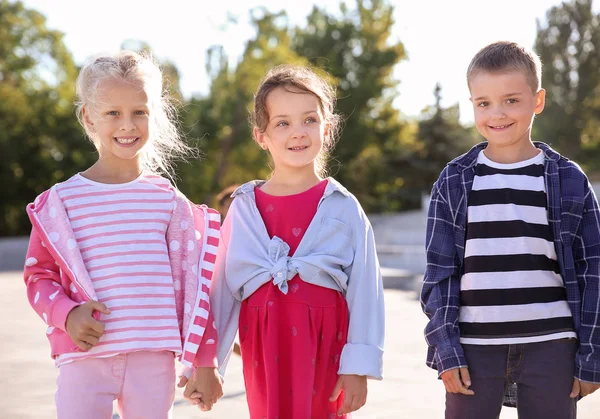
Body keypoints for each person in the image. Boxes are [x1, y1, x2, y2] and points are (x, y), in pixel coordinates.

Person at [22, 50, 222, 418]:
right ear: (89, 118)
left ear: (154, 116)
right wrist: (66, 314)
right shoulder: (62, 202)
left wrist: (205, 362)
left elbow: (198, 284)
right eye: (113, 113)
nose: (127, 125)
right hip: (85, 357)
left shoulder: (168, 200)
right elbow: (39, 275)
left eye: (139, 112)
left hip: (153, 358)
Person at [420, 41, 600, 419]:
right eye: (483, 103)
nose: (497, 114)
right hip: (473, 350)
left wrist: (591, 357)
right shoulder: (454, 181)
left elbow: (594, 271)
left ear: (537, 100)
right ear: (472, 103)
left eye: (511, 100)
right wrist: (446, 350)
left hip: (552, 346)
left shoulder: (568, 180)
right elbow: (439, 275)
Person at [209, 64, 385, 418]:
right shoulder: (244, 207)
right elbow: (221, 289)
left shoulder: (342, 206)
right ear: (262, 136)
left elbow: (365, 289)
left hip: (325, 346)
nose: (298, 133)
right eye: (283, 123)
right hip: (264, 343)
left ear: (327, 127)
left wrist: (357, 366)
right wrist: (207, 363)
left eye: (310, 120)